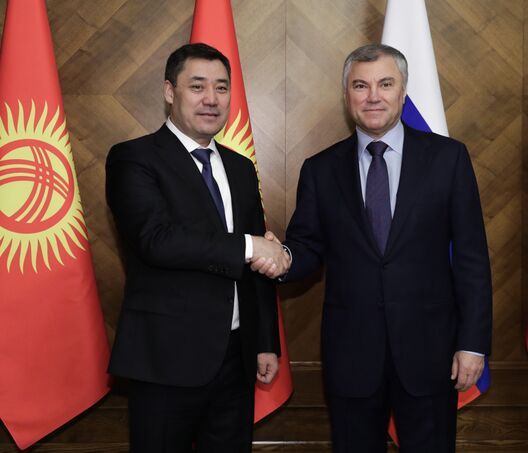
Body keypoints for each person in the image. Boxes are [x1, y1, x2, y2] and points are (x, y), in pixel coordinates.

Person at [254, 43, 492, 452]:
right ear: (346, 94)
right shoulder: (320, 169)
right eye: (360, 86)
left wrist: (472, 344)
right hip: (352, 356)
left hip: (430, 354)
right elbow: (308, 245)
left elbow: (472, 258)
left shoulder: (448, 159)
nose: (373, 96)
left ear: (403, 91)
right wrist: (284, 258)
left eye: (385, 84)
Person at [105, 43, 289, 453]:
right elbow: (156, 240)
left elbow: (255, 265)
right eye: (198, 86)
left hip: (236, 359)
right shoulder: (133, 159)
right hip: (165, 360)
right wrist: (250, 245)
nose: (211, 99)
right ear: (170, 91)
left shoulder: (240, 167)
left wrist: (265, 341)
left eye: (221, 88)